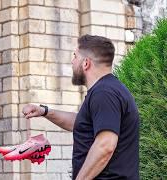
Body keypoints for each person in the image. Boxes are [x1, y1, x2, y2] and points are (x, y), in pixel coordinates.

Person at [22, 35, 139, 179]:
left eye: (75, 56)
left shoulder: (104, 93)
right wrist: (44, 111)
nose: (72, 61)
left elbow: (105, 146)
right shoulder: (107, 90)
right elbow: (82, 123)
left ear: (86, 63)